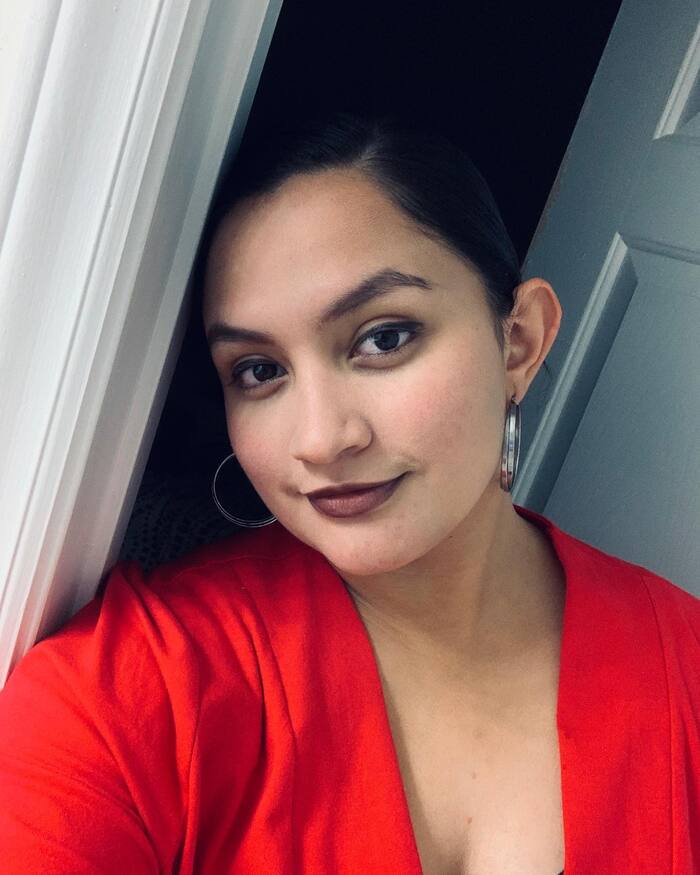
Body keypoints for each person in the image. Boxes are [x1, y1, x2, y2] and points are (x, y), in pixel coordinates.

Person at [0, 111, 698, 875]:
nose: (321, 438)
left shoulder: (685, 667)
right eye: (260, 370)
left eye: (383, 337)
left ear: (519, 341)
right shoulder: (127, 694)